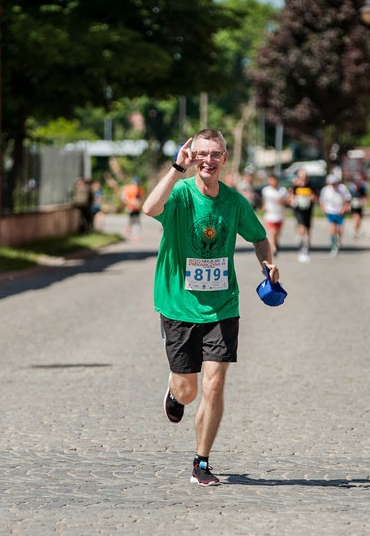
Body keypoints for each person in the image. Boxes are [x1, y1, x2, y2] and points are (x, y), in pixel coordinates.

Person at [142, 128, 279, 486]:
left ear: (224, 157)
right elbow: (148, 207)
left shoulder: (234, 202)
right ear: (192, 156)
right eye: (201, 153)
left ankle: (201, 462)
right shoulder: (181, 194)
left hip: (223, 307)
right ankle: (175, 391)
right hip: (178, 306)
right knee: (189, 391)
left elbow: (260, 238)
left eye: (215, 154)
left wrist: (267, 264)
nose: (208, 160)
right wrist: (176, 168)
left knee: (214, 385)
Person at [319, 174, 351, 256]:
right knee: (332, 229)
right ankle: (333, 245)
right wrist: (323, 208)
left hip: (340, 211)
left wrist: (344, 207)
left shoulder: (342, 188)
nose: (333, 185)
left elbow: (348, 199)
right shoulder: (326, 190)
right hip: (330, 211)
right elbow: (322, 200)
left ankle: (338, 240)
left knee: (340, 229)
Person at [290, 169, 317, 263]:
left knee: (308, 228)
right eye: (301, 177)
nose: (303, 179)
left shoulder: (311, 186)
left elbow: (315, 197)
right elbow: (291, 196)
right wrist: (293, 200)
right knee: (301, 226)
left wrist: (312, 197)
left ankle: (307, 244)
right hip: (298, 209)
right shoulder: (295, 187)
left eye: (305, 177)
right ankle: (302, 246)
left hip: (308, 209)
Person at [261, 174, 288, 256]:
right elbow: (264, 200)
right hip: (270, 214)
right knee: (272, 231)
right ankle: (273, 248)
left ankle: (275, 241)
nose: (272, 182)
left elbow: (287, 201)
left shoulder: (282, 190)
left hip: (279, 214)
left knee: (278, 233)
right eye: (271, 180)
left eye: (274, 180)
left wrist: (282, 201)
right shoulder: (266, 190)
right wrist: (264, 207)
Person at [348, 174, 368, 239]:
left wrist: (365, 202)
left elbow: (365, 195)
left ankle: (357, 229)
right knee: (356, 216)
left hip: (360, 203)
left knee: (360, 217)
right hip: (354, 203)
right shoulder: (351, 187)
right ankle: (355, 229)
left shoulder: (362, 187)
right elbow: (349, 197)